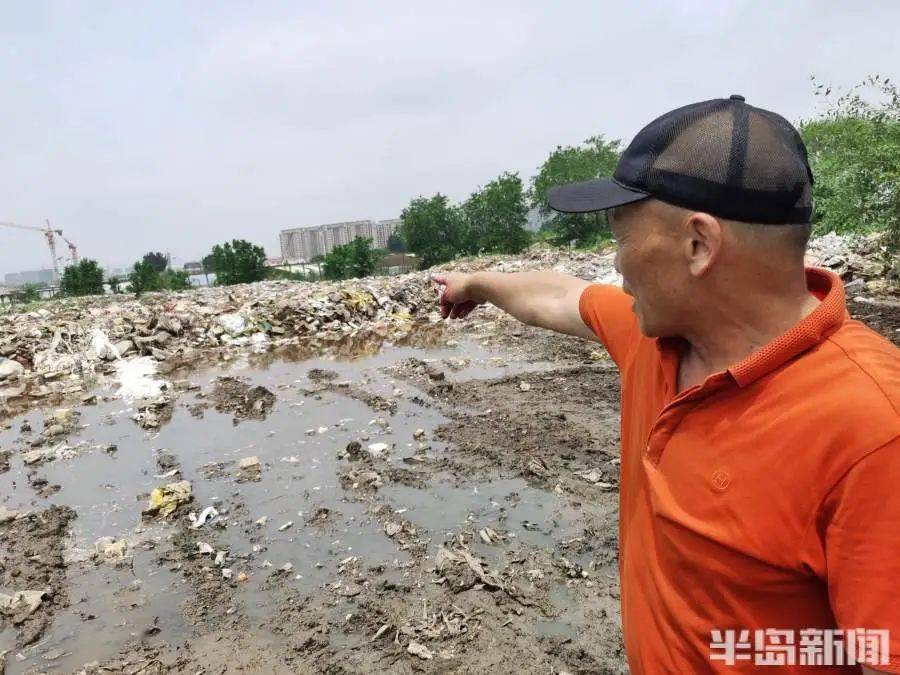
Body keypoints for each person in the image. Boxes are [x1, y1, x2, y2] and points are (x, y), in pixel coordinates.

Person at [434, 96, 900, 674]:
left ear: (698, 245)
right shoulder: (655, 337)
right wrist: (473, 284)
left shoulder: (873, 430)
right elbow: (558, 294)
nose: (618, 267)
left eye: (622, 238)